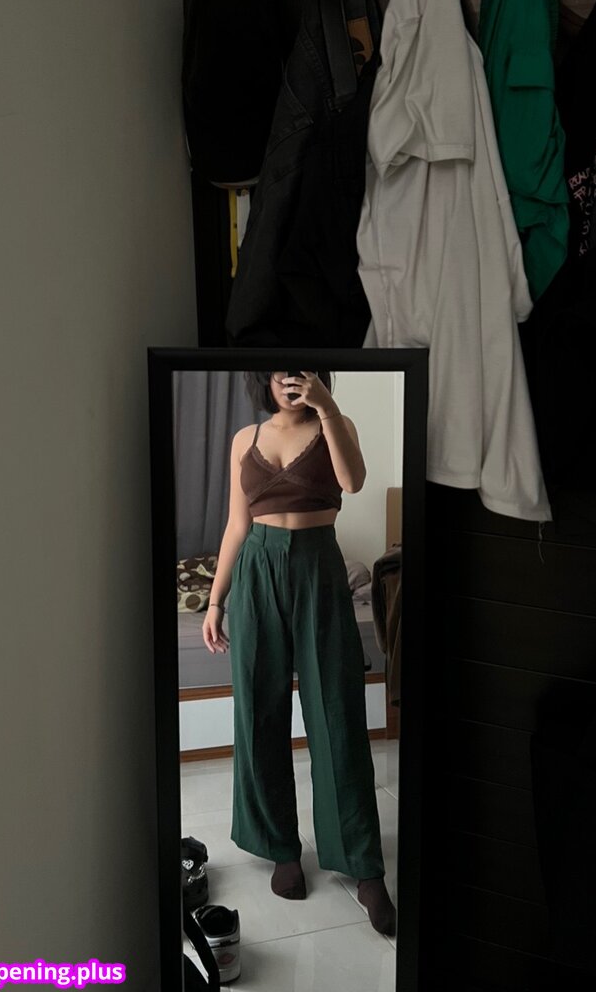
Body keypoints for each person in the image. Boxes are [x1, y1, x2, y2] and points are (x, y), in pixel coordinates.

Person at [202, 370, 396, 936]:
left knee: (337, 713)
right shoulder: (244, 439)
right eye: (280, 369)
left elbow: (353, 482)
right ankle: (280, 846)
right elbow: (236, 524)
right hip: (257, 570)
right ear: (263, 378)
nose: (290, 378)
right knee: (258, 710)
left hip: (318, 567)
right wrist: (216, 600)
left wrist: (327, 407)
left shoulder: (336, 423)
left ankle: (363, 864)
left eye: (302, 368)